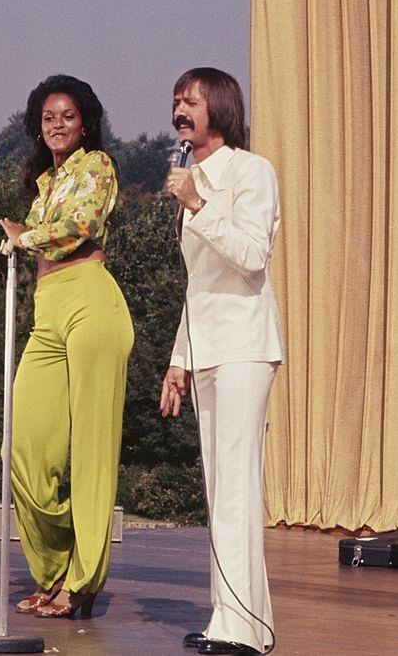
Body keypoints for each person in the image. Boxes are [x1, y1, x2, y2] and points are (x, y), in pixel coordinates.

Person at [0, 74, 134, 619]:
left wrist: (22, 237)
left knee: (92, 452)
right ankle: (55, 568)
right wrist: (20, 236)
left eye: (68, 116)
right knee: (25, 450)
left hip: (91, 303)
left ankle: (80, 583)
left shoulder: (97, 166)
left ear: (85, 123)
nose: (57, 124)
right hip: (48, 309)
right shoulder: (43, 184)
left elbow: (81, 226)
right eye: (48, 117)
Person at [159, 67, 283, 656]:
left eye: (192, 100)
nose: (181, 109)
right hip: (208, 344)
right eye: (177, 101)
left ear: (221, 109)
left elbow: (253, 256)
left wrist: (199, 204)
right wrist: (179, 358)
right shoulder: (195, 178)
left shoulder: (249, 171)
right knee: (219, 485)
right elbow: (197, 283)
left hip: (244, 345)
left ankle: (240, 629)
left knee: (235, 484)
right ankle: (235, 622)